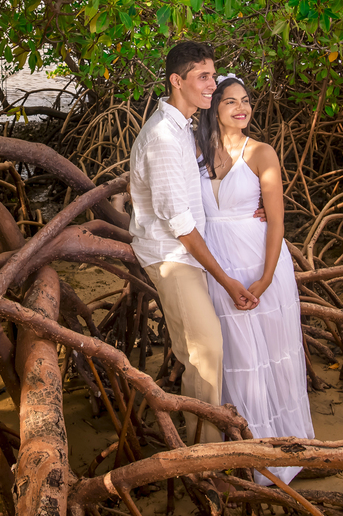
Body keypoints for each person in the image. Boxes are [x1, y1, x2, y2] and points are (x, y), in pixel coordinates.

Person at [129, 41, 258, 446]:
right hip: (172, 257)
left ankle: (207, 445)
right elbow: (180, 225)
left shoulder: (182, 127)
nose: (212, 85)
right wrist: (224, 278)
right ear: (176, 81)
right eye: (203, 77)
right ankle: (204, 456)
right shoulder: (164, 138)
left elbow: (200, 188)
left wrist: (256, 202)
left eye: (213, 76)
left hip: (188, 254)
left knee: (203, 352)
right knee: (205, 353)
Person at [195, 73, 315, 485]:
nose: (242, 108)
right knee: (236, 358)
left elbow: (277, 223)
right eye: (230, 102)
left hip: (259, 264)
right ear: (213, 107)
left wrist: (264, 280)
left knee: (272, 354)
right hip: (216, 266)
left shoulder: (262, 153)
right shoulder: (195, 151)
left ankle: (282, 453)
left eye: (245, 100)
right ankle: (244, 449)